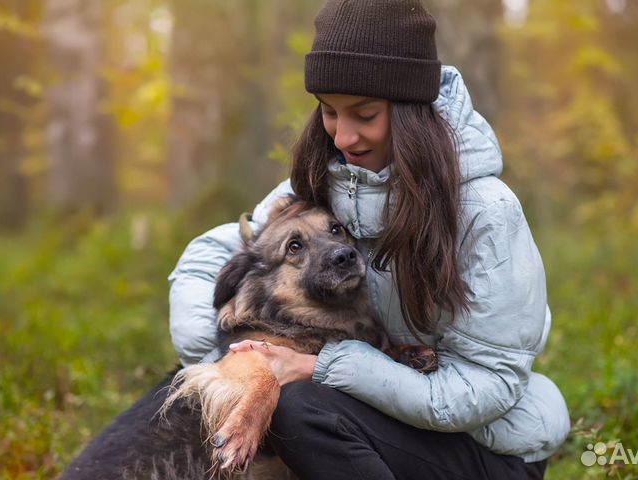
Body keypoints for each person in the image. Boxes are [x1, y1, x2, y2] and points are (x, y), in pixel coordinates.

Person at [168, 0, 571, 478]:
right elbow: (212, 255)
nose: (343, 136)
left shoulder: (487, 211)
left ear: (409, 110)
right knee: (270, 399)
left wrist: (323, 366)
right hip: (374, 417)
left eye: (364, 114)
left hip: (480, 445)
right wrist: (230, 357)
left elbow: (489, 386)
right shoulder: (330, 180)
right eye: (329, 112)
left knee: (299, 407)